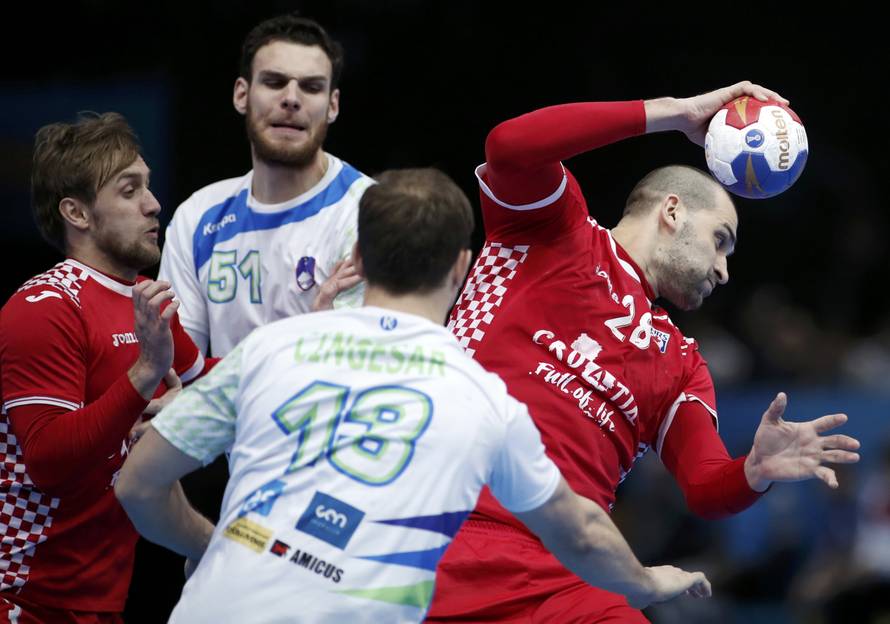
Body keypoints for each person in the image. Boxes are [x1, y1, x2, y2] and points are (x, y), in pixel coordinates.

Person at [115, 168, 712, 623]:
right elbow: (579, 530)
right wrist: (643, 582)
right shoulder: (481, 399)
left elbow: (135, 485)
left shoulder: (271, 350)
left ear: (356, 258)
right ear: (463, 267)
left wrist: (211, 540)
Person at [423, 82, 862, 622]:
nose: (725, 271)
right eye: (720, 240)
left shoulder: (682, 363)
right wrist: (674, 115)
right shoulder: (553, 231)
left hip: (565, 569)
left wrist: (754, 470)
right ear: (672, 212)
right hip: (437, 520)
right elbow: (509, 145)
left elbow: (703, 485)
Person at [0, 112, 209, 623]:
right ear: (77, 212)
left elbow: (215, 382)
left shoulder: (143, 303)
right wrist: (144, 374)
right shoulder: (44, 306)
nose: (153, 203)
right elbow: (48, 459)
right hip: (22, 599)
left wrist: (301, 337)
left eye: (150, 186)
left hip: (99, 604)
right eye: (129, 189)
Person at [158, 13, 373, 358]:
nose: (291, 98)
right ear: (242, 94)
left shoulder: (369, 212)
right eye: (274, 82)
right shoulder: (197, 216)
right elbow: (181, 369)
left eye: (311, 87)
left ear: (332, 105)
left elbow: (357, 365)